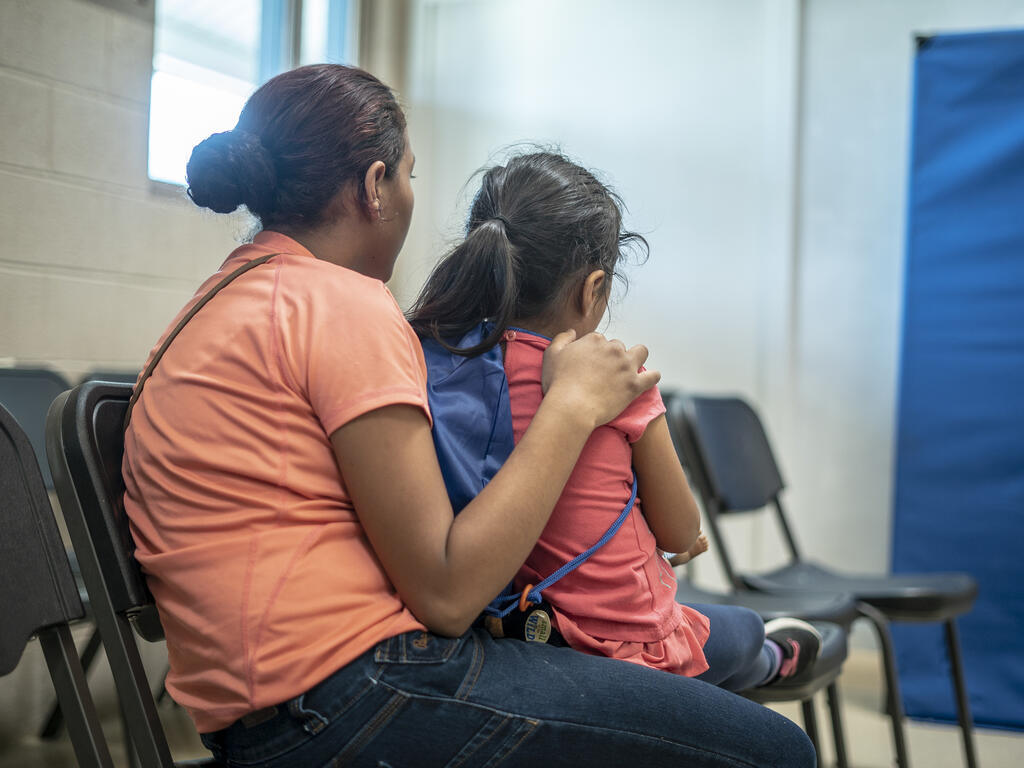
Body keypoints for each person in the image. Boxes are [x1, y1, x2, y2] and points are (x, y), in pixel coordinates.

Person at [122, 63, 816, 767]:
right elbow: (448, 594)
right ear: (373, 187)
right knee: (778, 752)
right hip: (350, 694)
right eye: (410, 176)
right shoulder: (341, 304)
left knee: (699, 667)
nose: (410, 194)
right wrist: (570, 407)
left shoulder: (215, 304)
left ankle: (751, 649)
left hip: (270, 703)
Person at [409, 151, 821, 694]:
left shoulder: (441, 364)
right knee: (739, 629)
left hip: (511, 627)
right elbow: (678, 530)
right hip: (615, 643)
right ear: (593, 288)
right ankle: (769, 656)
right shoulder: (617, 381)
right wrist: (676, 533)